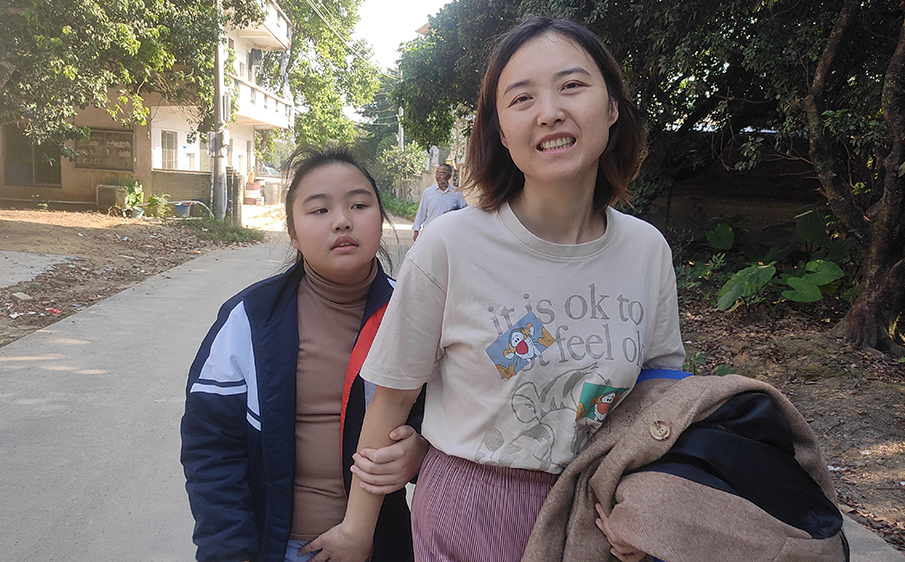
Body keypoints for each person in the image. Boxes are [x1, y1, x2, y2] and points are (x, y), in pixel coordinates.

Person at [302, 17, 686, 562]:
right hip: (469, 511)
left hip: (596, 514)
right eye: (522, 98)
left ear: (612, 108)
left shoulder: (646, 251)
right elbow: (393, 398)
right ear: (502, 131)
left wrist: (644, 509)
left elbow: (661, 396)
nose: (549, 111)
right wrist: (356, 531)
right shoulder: (451, 245)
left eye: (572, 85)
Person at [180, 146, 428, 562]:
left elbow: (457, 421)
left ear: (381, 219)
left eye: (359, 204)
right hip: (272, 549)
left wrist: (421, 453)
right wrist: (229, 550)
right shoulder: (250, 319)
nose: (342, 220)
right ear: (292, 233)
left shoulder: (415, 314)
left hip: (378, 547)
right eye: (319, 210)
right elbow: (210, 448)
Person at [411, 164, 467, 241]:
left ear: (449, 176)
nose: (438, 177)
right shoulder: (428, 192)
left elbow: (464, 212)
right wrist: (416, 230)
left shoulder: (456, 193)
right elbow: (421, 212)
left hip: (449, 233)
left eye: (442, 174)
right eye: (437, 173)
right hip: (430, 231)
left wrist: (453, 212)